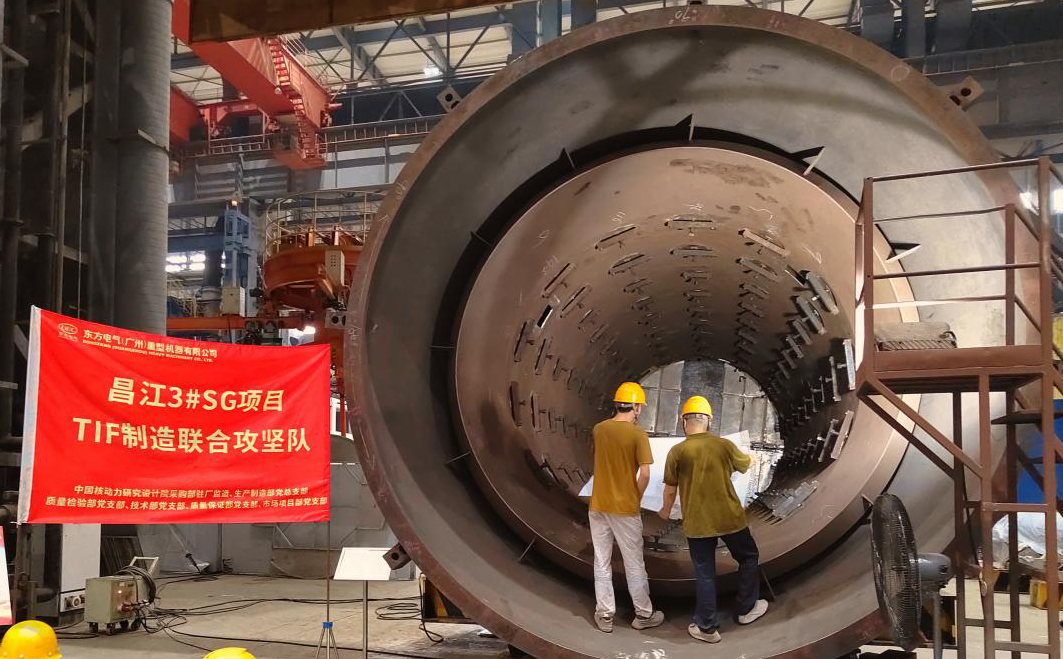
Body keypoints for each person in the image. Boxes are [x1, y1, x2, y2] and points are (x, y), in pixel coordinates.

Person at [659, 395, 768, 643]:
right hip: (729, 518)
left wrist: (665, 510)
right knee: (748, 557)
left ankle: (706, 627)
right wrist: (748, 457)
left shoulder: (677, 451)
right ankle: (746, 609)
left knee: (705, 573)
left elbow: (670, 488)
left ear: (684, 421)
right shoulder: (724, 446)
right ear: (709, 420)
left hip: (698, 524)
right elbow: (745, 464)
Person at [588, 381, 665, 633]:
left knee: (601, 561)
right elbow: (645, 473)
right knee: (634, 564)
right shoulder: (637, 434)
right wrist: (636, 497)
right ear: (637, 407)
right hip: (624, 508)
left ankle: (604, 614)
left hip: (598, 505)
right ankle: (643, 614)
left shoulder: (599, 429)